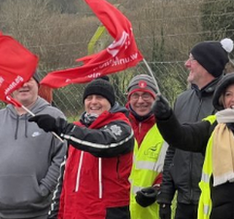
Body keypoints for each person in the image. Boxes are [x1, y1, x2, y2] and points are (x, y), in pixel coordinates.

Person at [153, 72, 234, 219]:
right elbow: (180, 136)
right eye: (228, 94)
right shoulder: (212, 126)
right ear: (222, 100)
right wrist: (166, 117)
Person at [30, 77, 135, 219]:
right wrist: (55, 214)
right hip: (73, 212)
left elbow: (103, 144)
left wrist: (62, 127)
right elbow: (63, 179)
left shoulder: (122, 127)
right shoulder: (77, 131)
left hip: (106, 213)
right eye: (89, 98)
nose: (93, 102)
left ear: (110, 102)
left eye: (100, 97)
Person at [157, 39, 232, 219]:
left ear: (207, 66)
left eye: (192, 59)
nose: (186, 64)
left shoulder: (228, 100)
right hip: (184, 203)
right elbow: (172, 150)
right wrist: (166, 197)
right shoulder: (182, 100)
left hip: (215, 201)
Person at [0, 72, 66, 219]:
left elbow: (63, 156)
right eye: (18, 81)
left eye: (28, 80)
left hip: (40, 212)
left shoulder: (54, 117)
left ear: (37, 84)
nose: (23, 85)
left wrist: (44, 188)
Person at [126, 74, 167, 219]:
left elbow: (171, 167)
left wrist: (157, 190)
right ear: (128, 99)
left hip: (151, 212)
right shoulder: (120, 126)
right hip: (119, 210)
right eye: (135, 95)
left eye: (146, 95)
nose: (140, 101)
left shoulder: (166, 127)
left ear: (155, 98)